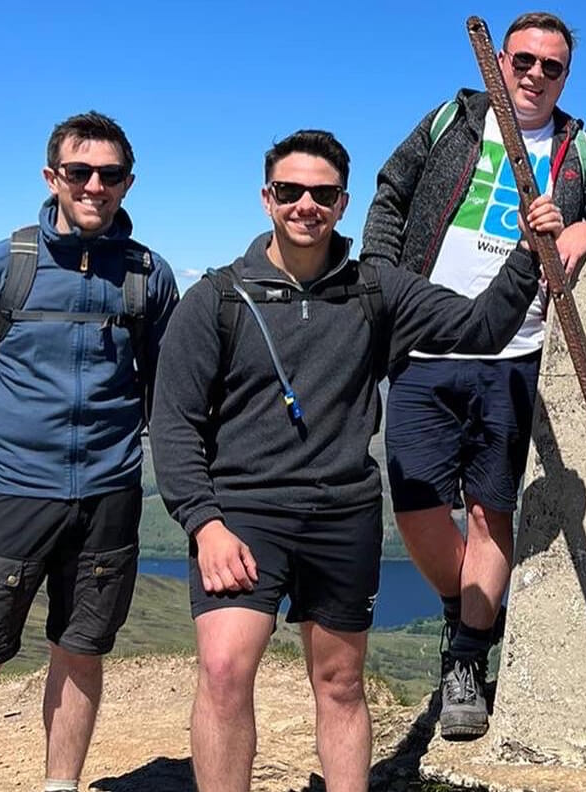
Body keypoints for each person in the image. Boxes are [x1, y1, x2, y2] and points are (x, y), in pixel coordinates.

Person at [150, 129, 562, 792]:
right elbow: (173, 423)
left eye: (322, 193)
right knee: (226, 672)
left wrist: (526, 252)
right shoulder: (218, 299)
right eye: (290, 191)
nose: (305, 204)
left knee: (340, 682)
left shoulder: (376, 288)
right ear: (267, 199)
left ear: (344, 203)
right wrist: (204, 523)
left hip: (342, 514)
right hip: (243, 515)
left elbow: (482, 330)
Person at [360, 11, 586, 739]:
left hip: (517, 356)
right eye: (522, 61)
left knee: (493, 512)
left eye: (550, 67)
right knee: (419, 509)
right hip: (426, 349)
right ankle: (475, 616)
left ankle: (464, 660)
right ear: (498, 59)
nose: (533, 76)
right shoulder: (452, 120)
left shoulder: (577, 148)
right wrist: (384, 282)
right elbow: (390, 195)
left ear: (565, 76)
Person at [0, 112, 179, 792]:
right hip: (11, 496)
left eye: (109, 174)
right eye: (79, 172)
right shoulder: (6, 266)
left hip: (108, 499)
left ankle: (62, 787)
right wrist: (5, 442)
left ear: (128, 182)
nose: (94, 185)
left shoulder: (148, 276)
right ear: (51, 176)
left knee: (81, 653)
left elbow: (163, 384)